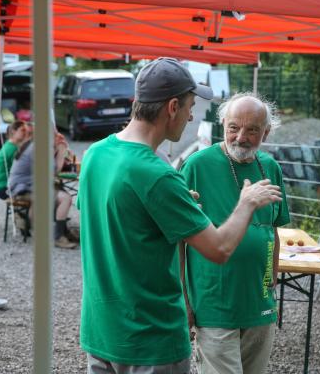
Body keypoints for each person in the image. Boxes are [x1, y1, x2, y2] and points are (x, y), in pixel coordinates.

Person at [77, 57, 282, 374]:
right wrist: (247, 203)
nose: (190, 117)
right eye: (189, 107)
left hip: (102, 333)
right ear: (172, 107)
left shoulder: (95, 154)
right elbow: (219, 248)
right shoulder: (158, 175)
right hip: (150, 340)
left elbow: (120, 218)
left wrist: (169, 204)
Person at [180, 92, 290, 374]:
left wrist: (272, 279)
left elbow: (272, 230)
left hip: (259, 304)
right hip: (214, 304)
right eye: (234, 127)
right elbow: (179, 241)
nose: (241, 137)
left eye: (252, 130)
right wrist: (184, 301)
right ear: (223, 126)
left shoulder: (272, 168)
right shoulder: (196, 166)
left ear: (266, 132)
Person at [8, 130, 78, 249]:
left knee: (59, 191)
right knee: (65, 198)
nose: (58, 139)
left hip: (25, 186)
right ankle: (58, 237)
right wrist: (60, 152)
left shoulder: (36, 144)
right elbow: (52, 172)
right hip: (22, 189)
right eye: (56, 136)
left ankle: (63, 231)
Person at [0, 120, 27, 200]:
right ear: (13, 131)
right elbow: (22, 170)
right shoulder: (12, 149)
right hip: (5, 188)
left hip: (3, 186)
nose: (25, 133)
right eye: (22, 130)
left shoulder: (9, 144)